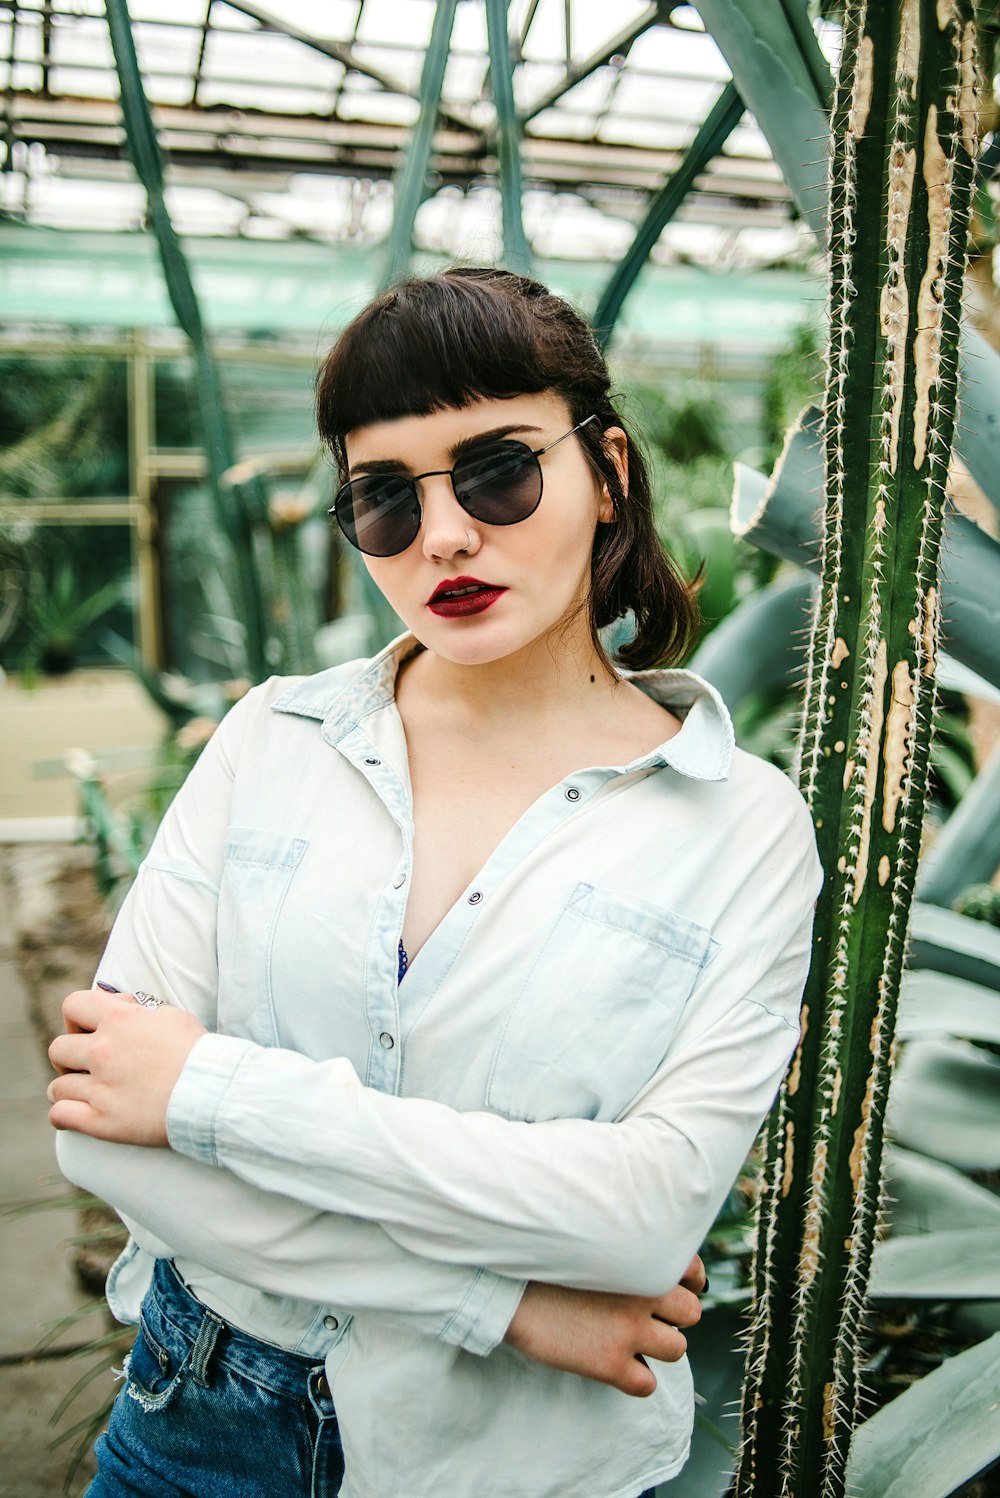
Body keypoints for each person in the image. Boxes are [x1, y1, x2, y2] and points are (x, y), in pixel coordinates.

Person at [49, 266, 822, 1498]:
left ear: (607, 468)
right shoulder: (272, 741)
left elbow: (640, 1218)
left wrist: (206, 1088)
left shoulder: (741, 827)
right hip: (188, 1417)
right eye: (384, 499)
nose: (446, 533)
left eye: (497, 469)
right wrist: (496, 1296)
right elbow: (108, 1141)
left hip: (513, 1461)